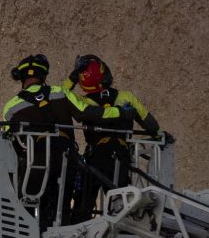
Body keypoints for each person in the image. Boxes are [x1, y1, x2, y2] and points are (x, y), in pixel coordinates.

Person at [2, 54, 132, 232]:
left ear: (21, 78)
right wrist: (121, 113)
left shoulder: (10, 107)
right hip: (66, 159)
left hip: (35, 165)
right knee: (61, 207)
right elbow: (88, 112)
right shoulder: (59, 93)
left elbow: (8, 143)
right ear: (44, 76)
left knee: (29, 208)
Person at [62, 54, 172, 222]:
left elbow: (61, 94)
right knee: (121, 206)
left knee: (83, 202)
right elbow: (148, 121)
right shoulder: (126, 97)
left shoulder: (82, 101)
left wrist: (72, 77)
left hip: (95, 157)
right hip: (120, 157)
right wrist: (159, 135)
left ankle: (77, 235)